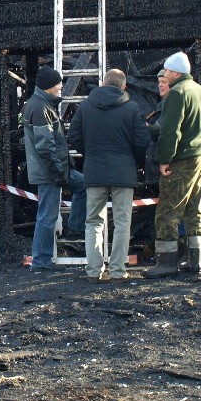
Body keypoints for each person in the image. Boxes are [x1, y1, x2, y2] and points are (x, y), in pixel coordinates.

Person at [68, 69, 149, 283]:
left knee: (93, 221)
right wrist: (131, 159)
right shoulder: (132, 108)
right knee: (123, 222)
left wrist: (90, 153)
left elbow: (73, 136)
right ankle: (117, 270)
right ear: (123, 87)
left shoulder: (85, 107)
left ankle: (94, 271)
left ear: (103, 83)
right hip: (123, 171)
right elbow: (143, 141)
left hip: (94, 170)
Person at [144, 52, 201, 278]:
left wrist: (164, 160)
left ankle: (166, 263)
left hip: (181, 160)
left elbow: (170, 132)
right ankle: (195, 261)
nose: (164, 75)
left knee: (168, 211)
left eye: (166, 72)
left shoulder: (177, 94)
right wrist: (199, 148)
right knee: (194, 208)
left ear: (175, 72)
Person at [22, 65, 87, 270]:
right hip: (49, 172)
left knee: (83, 185)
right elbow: (45, 146)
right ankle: (41, 261)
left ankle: (76, 228)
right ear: (50, 85)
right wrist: (59, 171)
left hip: (54, 169)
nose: (61, 86)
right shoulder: (40, 108)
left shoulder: (41, 104)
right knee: (47, 216)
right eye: (58, 83)